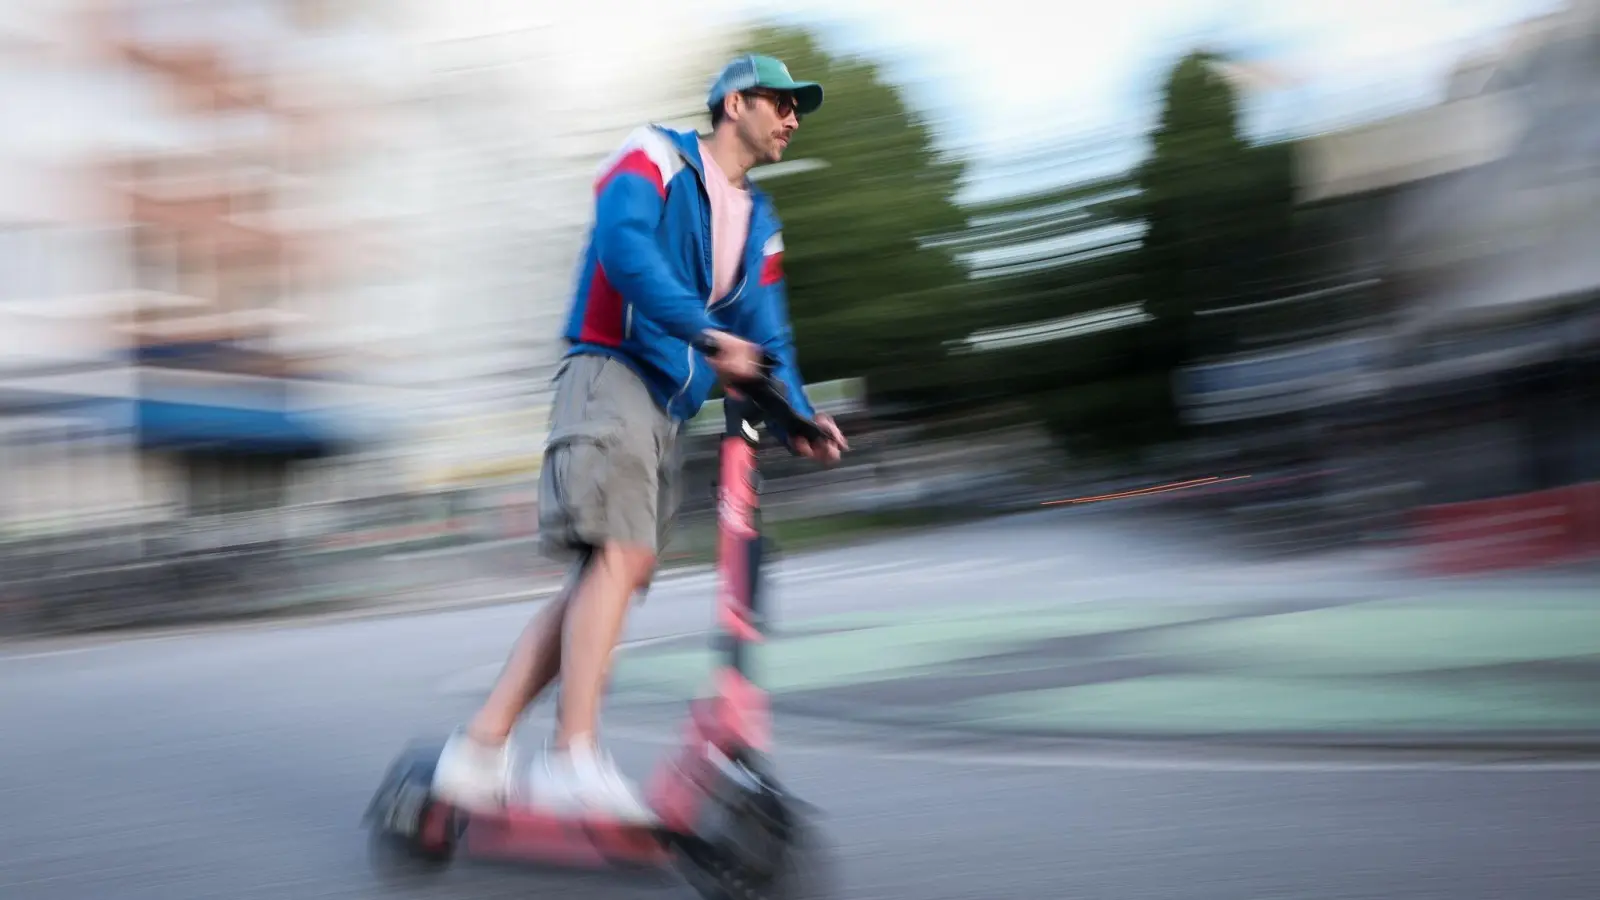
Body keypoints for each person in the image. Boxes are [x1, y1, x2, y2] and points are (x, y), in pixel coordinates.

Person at [431, 54, 848, 823]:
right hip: (610, 372)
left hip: (665, 406)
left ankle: (480, 749)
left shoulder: (759, 222)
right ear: (733, 102)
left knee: (609, 577)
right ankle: (571, 760)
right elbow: (625, 252)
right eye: (783, 103)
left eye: (799, 110)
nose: (794, 119)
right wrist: (704, 332)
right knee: (616, 563)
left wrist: (800, 414)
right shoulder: (653, 155)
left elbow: (769, 333)